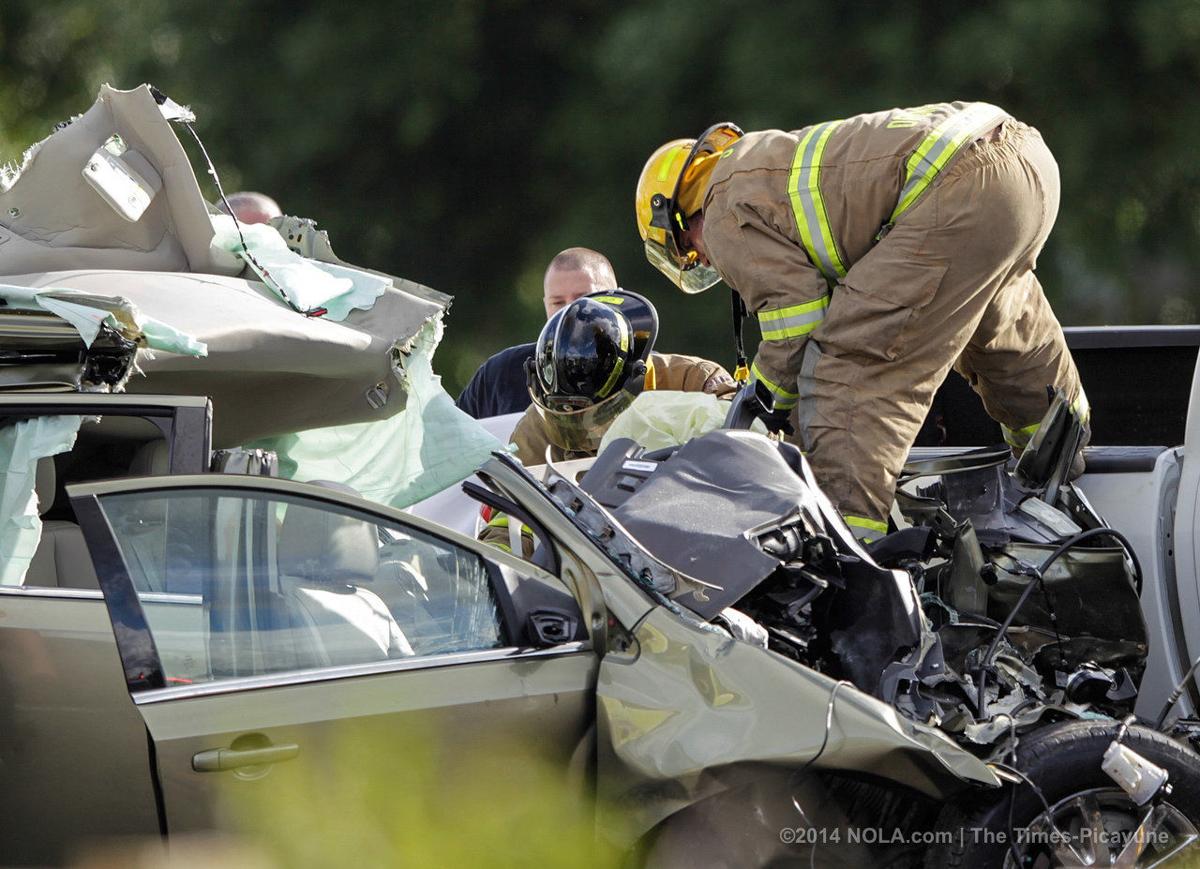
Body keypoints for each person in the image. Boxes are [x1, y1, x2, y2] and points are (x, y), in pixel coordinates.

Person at [635, 103, 1087, 543]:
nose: (703, 258)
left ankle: (852, 555)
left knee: (849, 369)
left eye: (688, 252)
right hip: (1023, 160)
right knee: (1002, 327)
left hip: (958, 187)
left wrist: (760, 400)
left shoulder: (720, 209)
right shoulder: (761, 162)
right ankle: (1062, 456)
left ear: (678, 218)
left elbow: (797, 321)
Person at [481, 289, 735, 555]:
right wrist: (495, 564)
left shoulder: (694, 382)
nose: (585, 429)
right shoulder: (535, 430)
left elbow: (750, 459)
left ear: (634, 380)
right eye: (565, 414)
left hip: (698, 546)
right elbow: (510, 516)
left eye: (595, 414)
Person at [455, 248, 618, 419]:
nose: (570, 312)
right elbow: (448, 439)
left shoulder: (644, 372)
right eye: (557, 302)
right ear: (546, 304)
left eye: (582, 299)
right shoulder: (500, 375)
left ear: (618, 298)